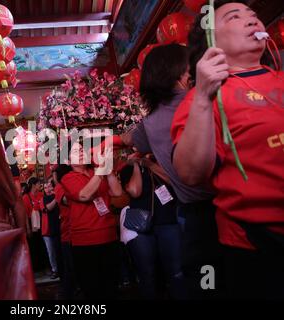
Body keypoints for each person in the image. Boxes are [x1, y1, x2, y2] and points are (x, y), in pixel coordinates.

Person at [171, 0, 284, 299]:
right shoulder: (203, 98)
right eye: (235, 17)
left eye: (254, 15)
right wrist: (204, 97)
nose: (251, 21)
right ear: (212, 41)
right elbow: (191, 173)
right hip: (258, 244)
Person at [109, 44, 222, 298]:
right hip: (225, 205)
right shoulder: (205, 98)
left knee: (203, 282)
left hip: (191, 214)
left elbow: (128, 140)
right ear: (182, 73)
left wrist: (108, 141)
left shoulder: (149, 124)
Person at [59, 140, 123, 299]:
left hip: (109, 236)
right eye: (75, 152)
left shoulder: (97, 172)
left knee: (112, 288)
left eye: (82, 149)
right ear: (67, 161)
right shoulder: (68, 178)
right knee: (93, 290)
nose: (81, 152)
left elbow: (117, 192)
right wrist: (102, 170)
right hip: (86, 242)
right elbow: (84, 195)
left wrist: (107, 169)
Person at [119, 155, 186, 300]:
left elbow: (175, 183)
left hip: (168, 223)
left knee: (176, 271)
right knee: (147, 273)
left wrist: (150, 164)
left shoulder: (165, 163)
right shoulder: (127, 169)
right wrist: (137, 165)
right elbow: (135, 191)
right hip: (142, 228)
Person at [53, 164, 76, 299]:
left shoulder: (64, 185)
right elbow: (69, 201)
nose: (53, 178)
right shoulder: (60, 187)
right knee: (70, 267)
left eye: (55, 175)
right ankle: (66, 294)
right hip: (68, 233)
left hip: (74, 232)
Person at [23, 177, 48, 273]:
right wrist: (28, 228)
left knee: (42, 244)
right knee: (34, 246)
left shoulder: (41, 194)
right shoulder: (26, 197)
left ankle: (44, 265)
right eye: (38, 184)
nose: (40, 185)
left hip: (42, 221)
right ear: (33, 185)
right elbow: (25, 214)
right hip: (32, 223)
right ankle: (36, 267)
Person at [42, 177, 62, 280]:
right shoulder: (44, 199)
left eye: (49, 186)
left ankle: (62, 270)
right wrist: (56, 198)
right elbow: (48, 207)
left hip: (60, 227)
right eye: (45, 188)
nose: (48, 189)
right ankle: (56, 270)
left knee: (61, 250)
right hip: (50, 229)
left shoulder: (57, 195)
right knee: (53, 252)